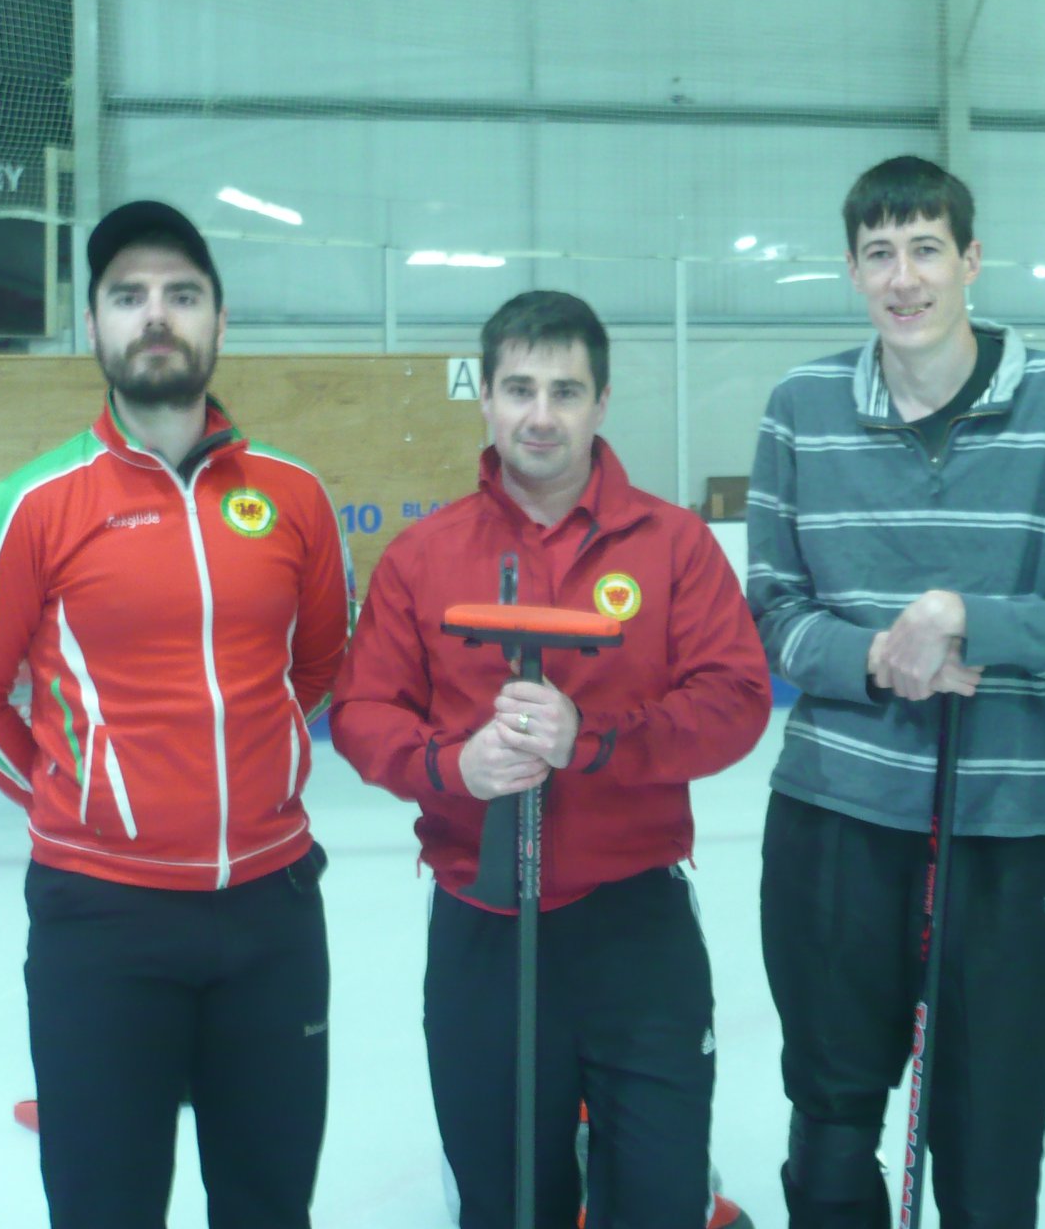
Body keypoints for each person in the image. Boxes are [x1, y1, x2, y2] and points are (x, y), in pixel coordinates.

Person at [0, 200, 351, 1228]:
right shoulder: (26, 507)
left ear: (219, 320)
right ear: (93, 328)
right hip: (100, 924)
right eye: (129, 297)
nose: (156, 316)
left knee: (269, 1205)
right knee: (105, 1207)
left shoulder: (294, 498)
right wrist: (75, 797)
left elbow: (320, 661)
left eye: (180, 295)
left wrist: (251, 768)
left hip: (272, 915)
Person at [747, 154, 1045, 1227]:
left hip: (1009, 825)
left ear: (971, 259)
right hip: (836, 814)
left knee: (991, 1127)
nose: (904, 276)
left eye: (926, 247)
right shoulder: (801, 409)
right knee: (831, 1120)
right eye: (879, 253)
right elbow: (774, 612)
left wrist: (975, 620)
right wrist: (878, 656)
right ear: (852, 270)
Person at [330, 290, 771, 1228]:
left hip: (635, 930)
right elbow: (362, 712)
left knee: (656, 1197)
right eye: (519, 388)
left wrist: (595, 741)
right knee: (505, 1201)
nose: (541, 415)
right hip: (482, 929)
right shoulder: (423, 554)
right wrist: (459, 768)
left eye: (566, 391)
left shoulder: (674, 546)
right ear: (485, 398)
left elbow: (735, 703)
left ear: (602, 403)